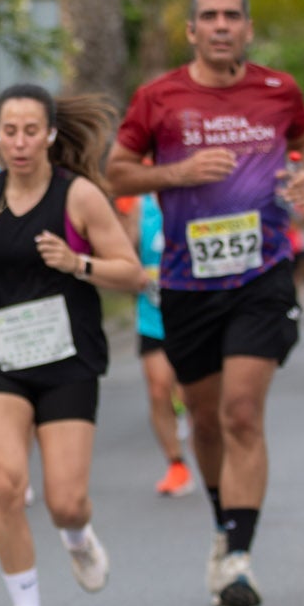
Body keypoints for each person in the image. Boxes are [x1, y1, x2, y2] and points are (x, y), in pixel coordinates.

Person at [106, 0, 304, 606]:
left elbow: (303, 146)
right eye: (209, 16)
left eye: (233, 16)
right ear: (192, 31)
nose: (222, 25)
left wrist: (299, 183)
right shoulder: (159, 97)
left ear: (248, 29)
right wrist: (177, 173)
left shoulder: (280, 92)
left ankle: (239, 555)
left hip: (263, 274)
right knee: (202, 417)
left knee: (242, 412)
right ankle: (225, 524)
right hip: (185, 281)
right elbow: (116, 170)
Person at [0, 84, 142, 606]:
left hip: (67, 360)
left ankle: (77, 535)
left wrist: (77, 262)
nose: (21, 142)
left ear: (52, 134)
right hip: (0, 358)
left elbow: (132, 273)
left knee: (65, 501)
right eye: (10, 131)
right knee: (6, 484)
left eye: (32, 130)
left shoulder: (78, 196)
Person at [128, 191, 195, 496]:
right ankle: (176, 465)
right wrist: (131, 270)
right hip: (153, 314)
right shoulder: (141, 207)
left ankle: (213, 455)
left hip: (196, 313)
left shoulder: (196, 196)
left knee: (193, 392)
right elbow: (123, 250)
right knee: (158, 387)